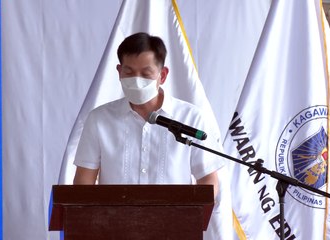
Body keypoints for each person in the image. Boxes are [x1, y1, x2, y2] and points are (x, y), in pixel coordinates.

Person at [73, 32, 224, 198]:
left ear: (163, 75)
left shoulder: (191, 118)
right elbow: (83, 184)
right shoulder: (99, 120)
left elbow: (208, 179)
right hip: (114, 222)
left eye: (146, 74)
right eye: (129, 72)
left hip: (175, 222)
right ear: (119, 71)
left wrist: (190, 217)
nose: (137, 81)